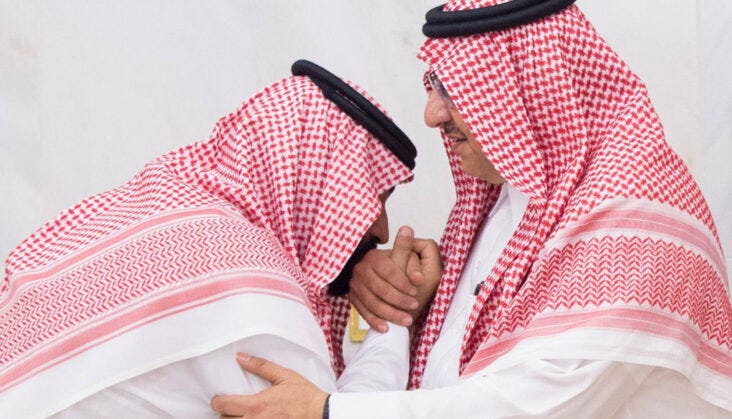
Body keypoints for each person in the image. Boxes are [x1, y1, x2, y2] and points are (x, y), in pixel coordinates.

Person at [210, 2, 732, 418]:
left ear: (528, 83)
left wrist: (326, 412)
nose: (433, 114)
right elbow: (441, 379)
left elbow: (529, 404)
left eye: (454, 89)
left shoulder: (636, 215)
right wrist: (404, 307)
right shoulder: (503, 207)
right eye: (435, 87)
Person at [0, 60, 434, 417]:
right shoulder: (251, 291)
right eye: (372, 193)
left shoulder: (147, 215)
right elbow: (324, 411)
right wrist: (393, 319)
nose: (380, 228)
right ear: (315, 180)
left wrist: (362, 305)